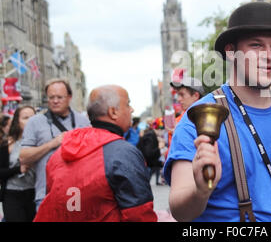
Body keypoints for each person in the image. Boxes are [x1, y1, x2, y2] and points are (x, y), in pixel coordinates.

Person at [164, 1, 271, 222]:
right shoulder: (200, 118)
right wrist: (201, 190)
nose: (268, 55)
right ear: (230, 52)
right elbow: (180, 212)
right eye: (256, 45)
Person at [33, 85, 158, 222]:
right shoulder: (123, 153)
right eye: (128, 104)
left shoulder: (60, 152)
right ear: (113, 112)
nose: (132, 109)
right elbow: (139, 213)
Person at [19, 78, 91, 210]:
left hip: (76, 192)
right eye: (51, 97)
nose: (55, 101)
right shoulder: (35, 122)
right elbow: (24, 156)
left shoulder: (83, 122)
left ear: (69, 97)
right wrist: (52, 143)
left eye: (59, 97)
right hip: (46, 193)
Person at [0, 106, 36, 222]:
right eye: (25, 118)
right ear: (17, 121)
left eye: (33, 117)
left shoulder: (42, 142)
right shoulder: (7, 143)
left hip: (35, 194)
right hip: (12, 194)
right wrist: (18, 169)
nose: (30, 121)